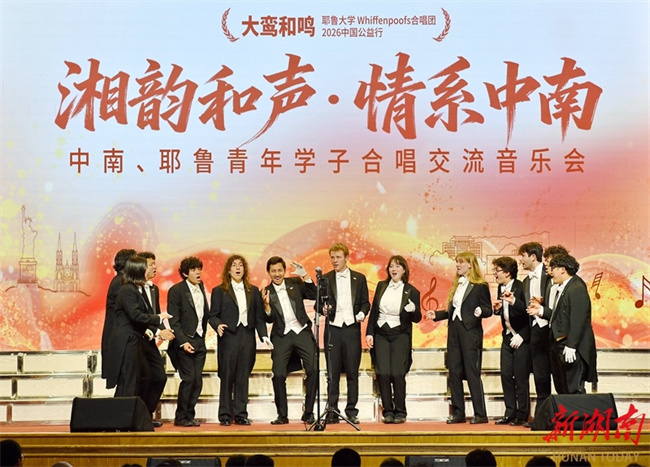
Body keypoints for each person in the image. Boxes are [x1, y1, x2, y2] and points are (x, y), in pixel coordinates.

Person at [429, 251, 492, 424]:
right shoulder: (457, 285)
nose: (457, 265)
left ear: (470, 265)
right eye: (457, 262)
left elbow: (488, 309)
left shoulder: (480, 286)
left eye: (461, 262)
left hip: (470, 332)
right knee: (454, 372)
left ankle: (480, 413)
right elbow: (453, 311)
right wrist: (437, 315)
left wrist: (480, 311)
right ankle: (458, 412)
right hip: (454, 331)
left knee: (471, 372)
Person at [209, 254, 269, 426]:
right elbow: (213, 316)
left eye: (240, 265)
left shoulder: (253, 290)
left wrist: (264, 335)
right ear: (228, 270)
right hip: (229, 336)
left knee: (243, 376)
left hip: (247, 336)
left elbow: (259, 317)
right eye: (234, 265)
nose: (237, 268)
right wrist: (218, 325)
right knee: (227, 376)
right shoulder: (219, 291)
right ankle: (225, 415)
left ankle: (241, 414)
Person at [528, 254, 597, 394]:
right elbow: (560, 316)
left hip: (571, 347)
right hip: (559, 345)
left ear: (562, 269)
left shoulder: (576, 287)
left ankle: (576, 411)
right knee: (562, 389)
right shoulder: (564, 287)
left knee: (573, 390)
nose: (550, 272)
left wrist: (571, 346)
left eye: (553, 268)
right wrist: (541, 310)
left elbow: (578, 320)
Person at [105, 256, 171, 400]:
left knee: (140, 378)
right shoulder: (128, 289)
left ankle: (135, 411)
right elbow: (135, 315)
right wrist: (159, 318)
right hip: (127, 341)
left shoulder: (135, 289)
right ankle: (122, 413)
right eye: (147, 267)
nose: (151, 269)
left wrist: (152, 329)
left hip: (134, 339)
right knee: (128, 381)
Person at [366, 255, 422, 424]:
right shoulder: (381, 286)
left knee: (397, 373)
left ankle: (400, 411)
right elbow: (374, 311)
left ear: (404, 270)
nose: (394, 269)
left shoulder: (411, 291)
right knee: (382, 372)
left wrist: (413, 309)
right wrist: (369, 333)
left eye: (397, 266)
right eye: (391, 266)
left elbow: (417, 318)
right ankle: (388, 411)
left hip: (400, 334)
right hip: (381, 333)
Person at [262, 256, 318, 425]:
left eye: (280, 270)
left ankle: (308, 412)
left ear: (284, 271)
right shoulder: (265, 291)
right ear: (268, 273)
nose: (277, 274)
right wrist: (266, 306)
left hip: (301, 331)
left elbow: (314, 295)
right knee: (278, 374)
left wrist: (305, 276)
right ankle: (282, 415)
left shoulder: (295, 283)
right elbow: (268, 319)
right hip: (282, 335)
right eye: (273, 271)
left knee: (313, 369)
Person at [322, 243, 370, 424]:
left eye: (338, 257)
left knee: (352, 372)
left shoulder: (359, 278)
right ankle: (332, 410)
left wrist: (362, 313)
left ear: (347, 258)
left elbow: (366, 303)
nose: (335, 261)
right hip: (332, 329)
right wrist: (323, 309)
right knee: (332, 373)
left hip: (351, 329)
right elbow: (319, 303)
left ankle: (351, 411)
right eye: (332, 257)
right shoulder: (325, 279)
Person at [167, 256, 210, 427]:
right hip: (184, 342)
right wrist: (183, 342)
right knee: (189, 378)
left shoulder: (201, 287)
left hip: (199, 340)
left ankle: (189, 415)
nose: (198, 272)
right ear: (185, 273)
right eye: (193, 270)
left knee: (197, 380)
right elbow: (174, 320)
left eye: (199, 269)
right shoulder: (176, 290)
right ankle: (181, 417)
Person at [492, 256, 531, 426]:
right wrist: (498, 310)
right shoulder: (500, 287)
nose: (495, 274)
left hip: (521, 337)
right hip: (508, 336)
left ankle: (522, 415)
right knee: (506, 374)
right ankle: (510, 412)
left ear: (507, 273)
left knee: (521, 377)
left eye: (497, 271)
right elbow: (506, 312)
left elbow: (529, 312)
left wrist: (522, 335)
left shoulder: (522, 287)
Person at [137, 251, 174, 427]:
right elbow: (139, 317)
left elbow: (155, 314)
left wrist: (163, 330)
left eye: (154, 264)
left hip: (150, 341)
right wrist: (158, 332)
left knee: (159, 377)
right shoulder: (133, 288)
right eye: (150, 264)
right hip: (137, 340)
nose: (154, 267)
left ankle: (146, 414)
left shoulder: (154, 289)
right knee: (142, 379)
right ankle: (139, 417)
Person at [518, 242, 553, 424]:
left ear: (533, 256)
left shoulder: (550, 275)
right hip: (536, 333)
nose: (521, 260)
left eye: (523, 256)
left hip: (553, 332)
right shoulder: (526, 282)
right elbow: (524, 309)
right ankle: (542, 417)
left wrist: (542, 305)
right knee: (541, 377)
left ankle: (566, 415)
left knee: (561, 379)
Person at [101, 248, 136, 380]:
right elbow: (132, 312)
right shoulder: (121, 283)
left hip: (122, 339)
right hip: (121, 340)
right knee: (125, 381)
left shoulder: (122, 281)